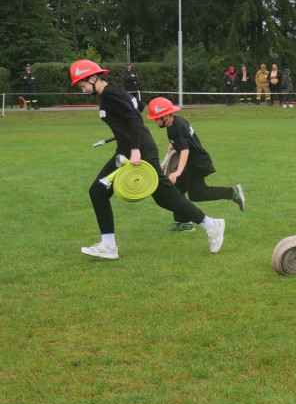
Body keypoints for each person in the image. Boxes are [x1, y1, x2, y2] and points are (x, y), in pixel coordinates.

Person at [69, 59, 225, 260]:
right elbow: (138, 106)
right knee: (104, 192)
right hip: (128, 149)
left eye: (82, 85)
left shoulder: (109, 93)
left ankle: (212, 225)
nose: (82, 90)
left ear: (92, 77)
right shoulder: (115, 92)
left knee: (161, 196)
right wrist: (122, 131)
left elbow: (134, 117)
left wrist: (135, 148)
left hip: (138, 150)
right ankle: (108, 245)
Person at [147, 96, 245, 230]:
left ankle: (232, 192)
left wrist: (178, 172)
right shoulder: (175, 122)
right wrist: (173, 145)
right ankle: (185, 223)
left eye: (156, 118)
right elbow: (185, 139)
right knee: (176, 191)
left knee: (197, 194)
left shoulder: (177, 128)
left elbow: (185, 151)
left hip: (195, 163)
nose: (154, 121)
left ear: (166, 116)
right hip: (190, 162)